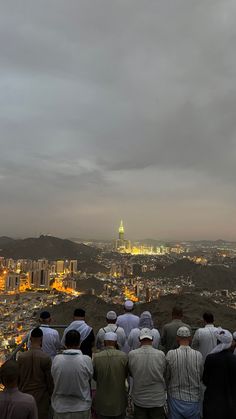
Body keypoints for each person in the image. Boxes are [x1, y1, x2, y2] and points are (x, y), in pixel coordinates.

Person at [52, 329, 93, 419]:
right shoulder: (86, 359)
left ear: (65, 344)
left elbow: (54, 376)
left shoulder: (57, 359)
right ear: (79, 343)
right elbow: (89, 377)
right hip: (82, 407)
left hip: (60, 407)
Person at [128, 328, 166, 419]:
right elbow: (164, 372)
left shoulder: (132, 354)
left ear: (139, 339)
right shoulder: (160, 354)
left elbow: (131, 373)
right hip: (157, 399)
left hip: (139, 399)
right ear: (152, 339)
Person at [166, 326, 203, 419]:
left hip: (175, 398)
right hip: (194, 398)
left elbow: (167, 375)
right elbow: (201, 375)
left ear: (177, 338)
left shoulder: (171, 354)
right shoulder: (198, 355)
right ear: (190, 338)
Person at [18, 327, 54, 419]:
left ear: (30, 339)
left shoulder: (21, 357)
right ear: (42, 339)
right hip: (41, 398)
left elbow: (18, 378)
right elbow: (49, 381)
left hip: (24, 396)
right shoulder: (45, 357)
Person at [93, 332, 128, 419]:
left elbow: (94, 377)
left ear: (104, 342)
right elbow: (126, 374)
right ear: (116, 343)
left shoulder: (96, 357)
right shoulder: (123, 356)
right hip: (119, 402)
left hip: (102, 402)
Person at [203, 328, 236, 419]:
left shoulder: (210, 358)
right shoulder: (234, 360)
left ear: (218, 342)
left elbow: (205, 380)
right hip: (230, 404)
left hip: (212, 404)